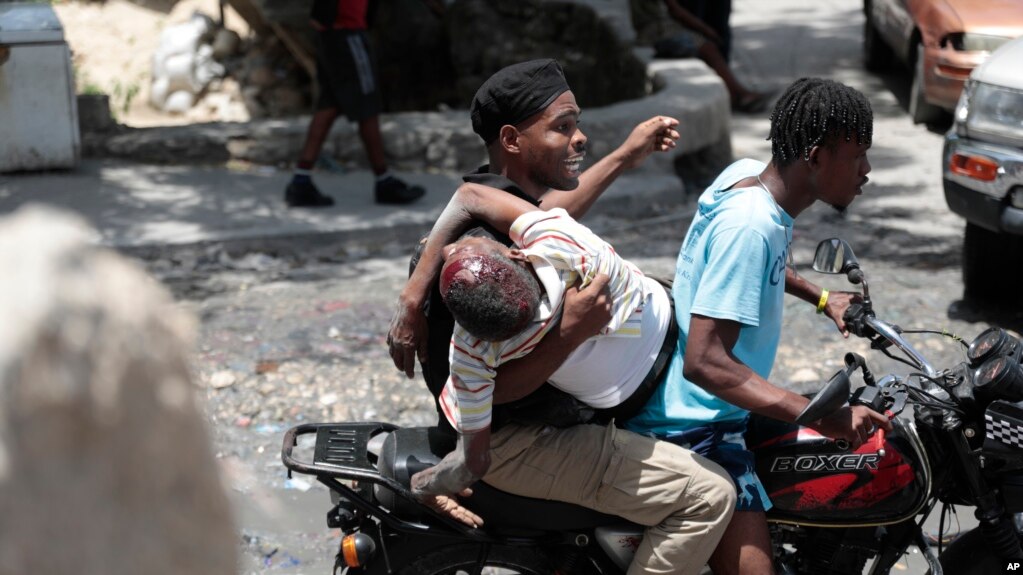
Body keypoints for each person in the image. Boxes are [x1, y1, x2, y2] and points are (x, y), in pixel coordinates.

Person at [389, 59, 738, 575]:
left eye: (575, 123)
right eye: (562, 127)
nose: (579, 138)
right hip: (520, 439)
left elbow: (553, 215)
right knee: (710, 497)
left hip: (551, 410)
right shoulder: (492, 262)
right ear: (511, 139)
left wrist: (625, 156)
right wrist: (570, 334)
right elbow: (489, 391)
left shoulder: (503, 210)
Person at [625, 77, 889, 575]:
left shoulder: (748, 179)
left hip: (713, 413)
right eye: (857, 156)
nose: (867, 171)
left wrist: (824, 297)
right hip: (694, 429)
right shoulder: (751, 225)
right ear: (814, 157)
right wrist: (819, 416)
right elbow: (705, 362)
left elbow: (754, 269)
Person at [284, 0, 430, 208]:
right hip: (346, 35)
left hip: (332, 36)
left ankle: (301, 180)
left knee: (328, 106)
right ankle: (384, 181)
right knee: (367, 106)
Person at [629, 0, 768, 113]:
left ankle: (737, 93)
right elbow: (677, 11)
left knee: (708, 43)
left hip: (654, 29)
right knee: (708, 47)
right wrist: (706, 30)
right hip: (657, 32)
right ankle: (737, 93)